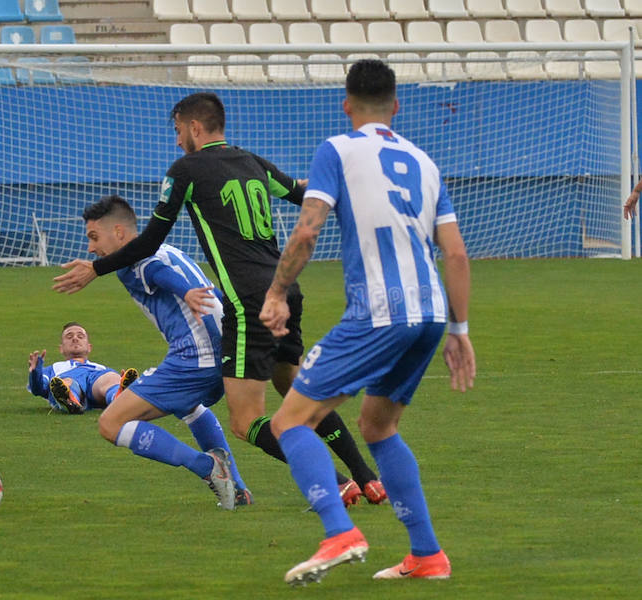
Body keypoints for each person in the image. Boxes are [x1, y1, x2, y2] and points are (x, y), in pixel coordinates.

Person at [53, 92, 385, 507]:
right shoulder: (252, 162)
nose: (176, 141)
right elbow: (303, 193)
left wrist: (94, 270)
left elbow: (151, 241)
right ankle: (365, 476)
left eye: (177, 131)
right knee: (295, 389)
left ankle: (334, 482)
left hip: (249, 302)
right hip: (286, 290)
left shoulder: (185, 171)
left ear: (194, 128)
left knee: (247, 422)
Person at [258, 59, 476, 585]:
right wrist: (459, 330)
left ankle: (340, 532)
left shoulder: (337, 149)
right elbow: (456, 253)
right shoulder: (425, 162)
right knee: (379, 426)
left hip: (380, 311)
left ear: (346, 104)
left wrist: (277, 292)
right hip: (428, 313)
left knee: (290, 421)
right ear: (396, 106)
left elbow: (307, 232)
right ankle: (427, 556)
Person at [83, 194, 246, 509]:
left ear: (118, 232)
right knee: (190, 408)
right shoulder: (166, 247)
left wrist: (185, 291)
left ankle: (207, 467)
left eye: (94, 237)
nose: (91, 248)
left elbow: (158, 273)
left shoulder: (135, 263)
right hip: (223, 350)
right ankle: (237, 489)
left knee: (110, 423)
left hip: (195, 361)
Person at [27, 321, 138, 415]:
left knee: (111, 378)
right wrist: (35, 372)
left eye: (80, 336)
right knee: (66, 381)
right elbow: (38, 389)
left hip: (95, 382)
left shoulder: (100, 368)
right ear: (61, 348)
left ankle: (118, 395)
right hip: (71, 380)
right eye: (69, 337)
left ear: (89, 347)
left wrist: (120, 380)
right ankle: (70, 399)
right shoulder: (55, 368)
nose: (75, 339)